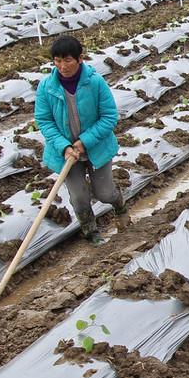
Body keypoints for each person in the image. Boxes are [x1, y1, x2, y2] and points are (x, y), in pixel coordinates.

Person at [35, 35, 127, 246]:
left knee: (104, 193)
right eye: (57, 61)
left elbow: (109, 116)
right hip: (67, 153)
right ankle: (90, 230)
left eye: (67, 60)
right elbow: (44, 120)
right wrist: (64, 146)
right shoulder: (46, 87)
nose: (62, 66)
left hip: (97, 148)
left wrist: (84, 141)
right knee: (79, 197)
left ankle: (119, 205)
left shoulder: (94, 83)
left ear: (79, 59)